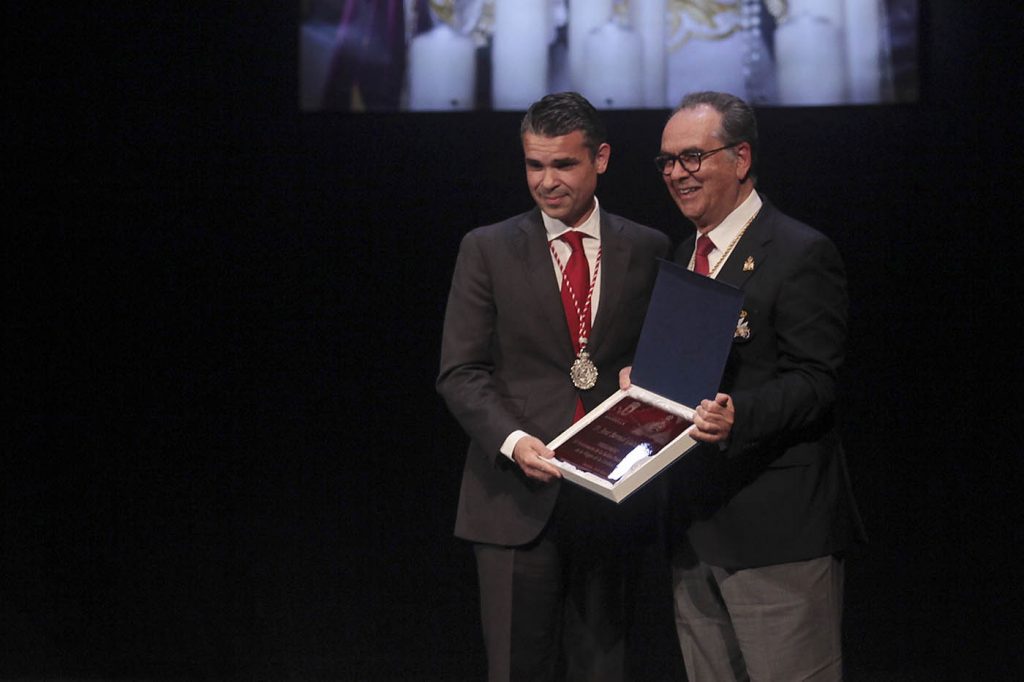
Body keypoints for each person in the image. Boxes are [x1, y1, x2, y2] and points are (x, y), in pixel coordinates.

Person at [624, 91, 866, 681]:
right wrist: (644, 382)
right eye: (667, 161)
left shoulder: (800, 251)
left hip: (776, 533)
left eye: (692, 157)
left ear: (741, 158)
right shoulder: (686, 253)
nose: (677, 173)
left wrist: (740, 415)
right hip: (694, 529)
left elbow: (816, 381)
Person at [436, 92, 671, 681]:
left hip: (611, 498)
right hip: (514, 497)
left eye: (563, 164)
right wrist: (514, 441)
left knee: (605, 669)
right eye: (534, 165)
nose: (546, 181)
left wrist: (646, 376)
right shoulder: (486, 248)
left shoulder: (647, 247)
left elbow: (659, 361)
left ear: (601, 159)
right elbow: (461, 371)